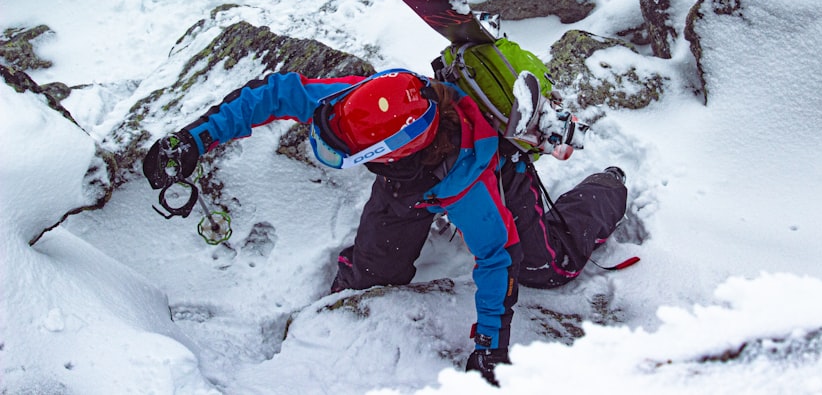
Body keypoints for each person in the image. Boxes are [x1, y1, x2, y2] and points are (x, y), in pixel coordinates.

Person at [143, 68, 627, 385]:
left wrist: (489, 348)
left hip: (490, 175)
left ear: (389, 151)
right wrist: (193, 139)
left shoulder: (470, 184)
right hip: (406, 182)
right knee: (371, 275)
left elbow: (496, 259)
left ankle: (609, 186)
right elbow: (274, 95)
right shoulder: (357, 108)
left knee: (546, 267)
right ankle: (324, 325)